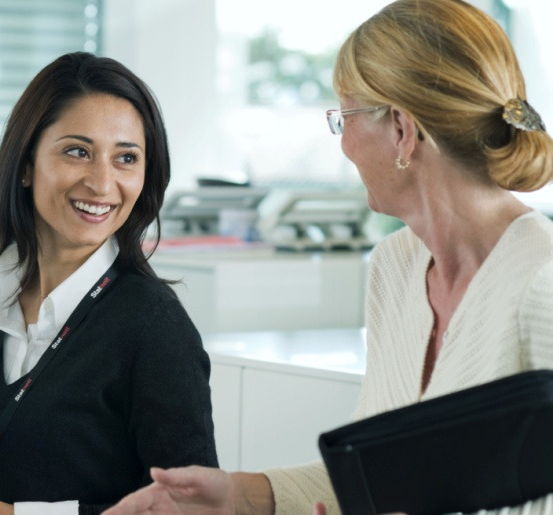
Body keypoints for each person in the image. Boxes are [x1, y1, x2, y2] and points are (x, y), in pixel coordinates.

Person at [103, 0, 553, 514]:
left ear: (403, 129)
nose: (346, 144)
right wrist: (241, 497)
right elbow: (375, 475)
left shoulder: (542, 283)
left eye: (346, 117)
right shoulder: (396, 267)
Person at [0, 51, 218, 515]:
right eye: (77, 151)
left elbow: (193, 508)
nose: (102, 183)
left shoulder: (153, 324)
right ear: (25, 164)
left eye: (126, 158)